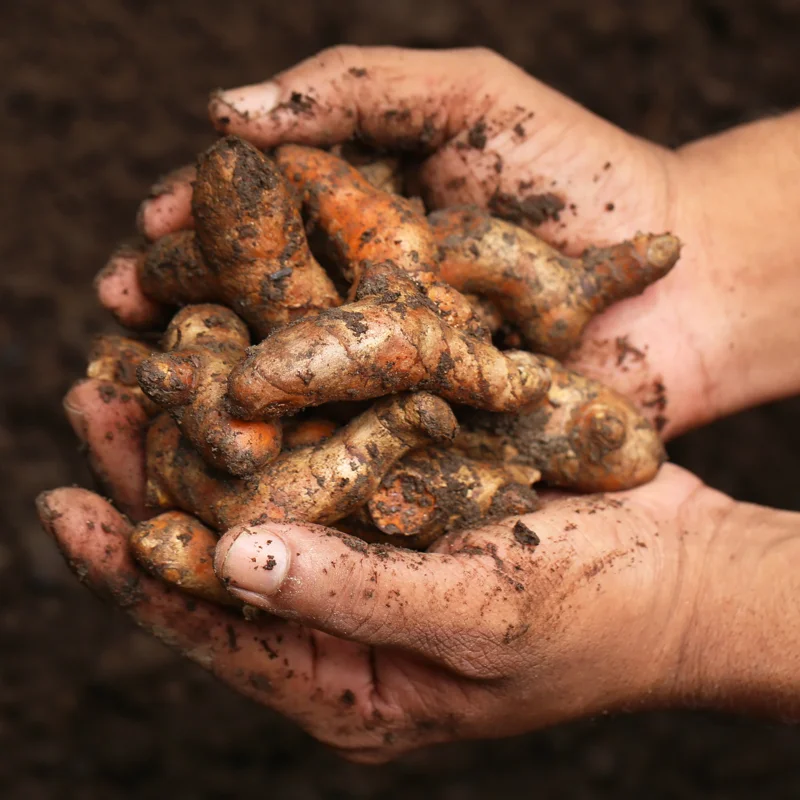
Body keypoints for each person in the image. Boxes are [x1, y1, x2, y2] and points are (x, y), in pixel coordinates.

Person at [36, 47, 800, 764]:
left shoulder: (427, 328)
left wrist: (686, 612)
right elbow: (250, 413)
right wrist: (704, 217)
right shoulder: (285, 344)